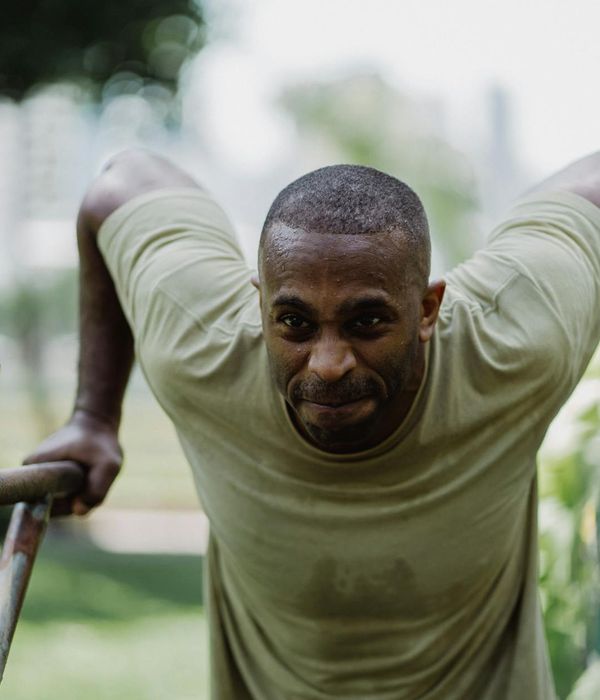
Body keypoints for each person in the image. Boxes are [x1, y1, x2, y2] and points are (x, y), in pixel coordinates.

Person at [25, 149, 600, 699]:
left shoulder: (517, 340)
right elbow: (118, 182)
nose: (328, 364)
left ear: (427, 310)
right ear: (260, 307)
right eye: (295, 323)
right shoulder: (199, 345)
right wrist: (95, 416)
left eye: (368, 320)